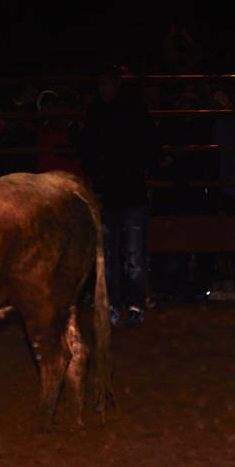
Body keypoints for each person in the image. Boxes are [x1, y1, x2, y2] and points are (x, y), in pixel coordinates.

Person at [78, 65, 159, 328]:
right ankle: (119, 304)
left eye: (106, 84)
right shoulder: (103, 113)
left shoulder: (125, 112)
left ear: (115, 85)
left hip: (126, 192)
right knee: (114, 256)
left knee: (127, 255)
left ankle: (130, 304)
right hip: (115, 192)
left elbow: (149, 145)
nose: (103, 90)